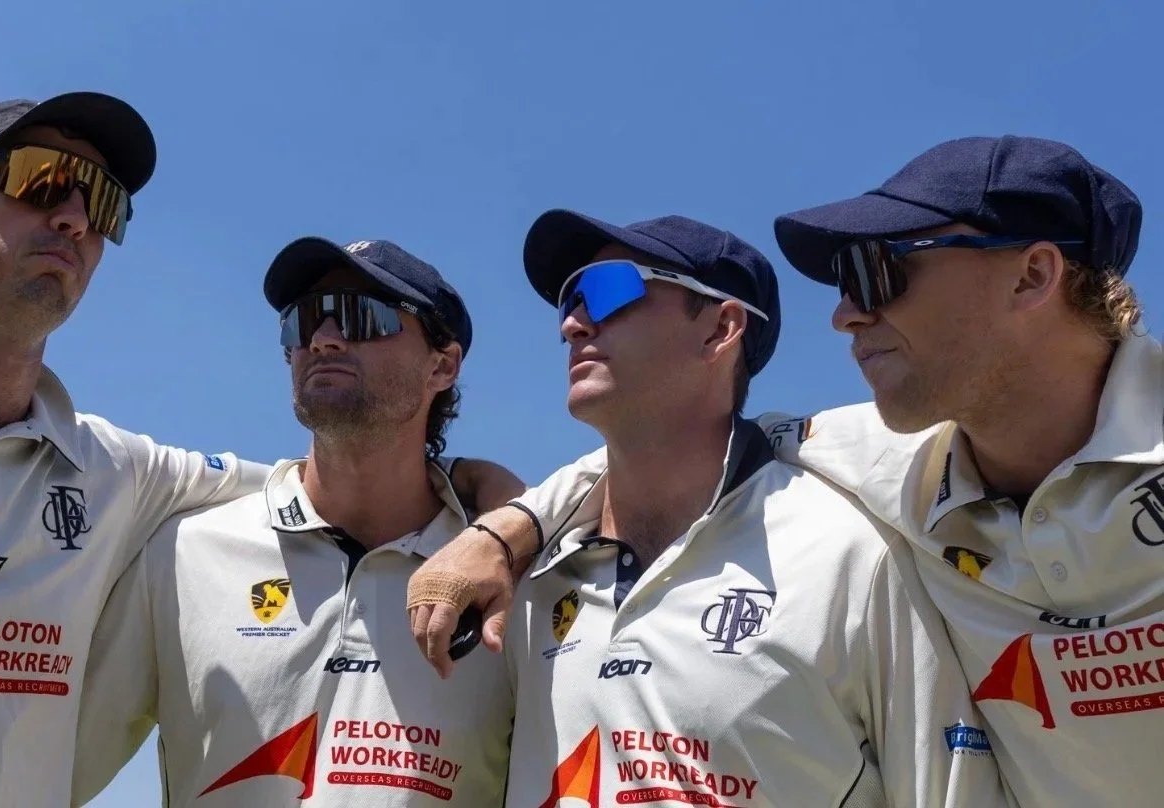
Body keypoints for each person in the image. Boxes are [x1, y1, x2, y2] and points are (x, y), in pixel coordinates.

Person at [411, 136, 1154, 807]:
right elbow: (680, 448)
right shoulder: (874, 458)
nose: (843, 315)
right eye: (569, 302)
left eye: (875, 271)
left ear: (1031, 276)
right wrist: (507, 528)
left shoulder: (854, 538)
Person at [0, 94, 514, 808]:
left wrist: (500, 518)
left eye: (101, 203)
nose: (76, 218)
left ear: (443, 366)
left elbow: (334, 487)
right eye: (39, 179)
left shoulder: (119, 471)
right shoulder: (161, 519)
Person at [70, 237, 522, 807]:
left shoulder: (512, 582)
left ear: (442, 365)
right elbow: (48, 773)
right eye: (304, 320)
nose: (324, 338)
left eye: (361, 316)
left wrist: (512, 521)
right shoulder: (184, 554)